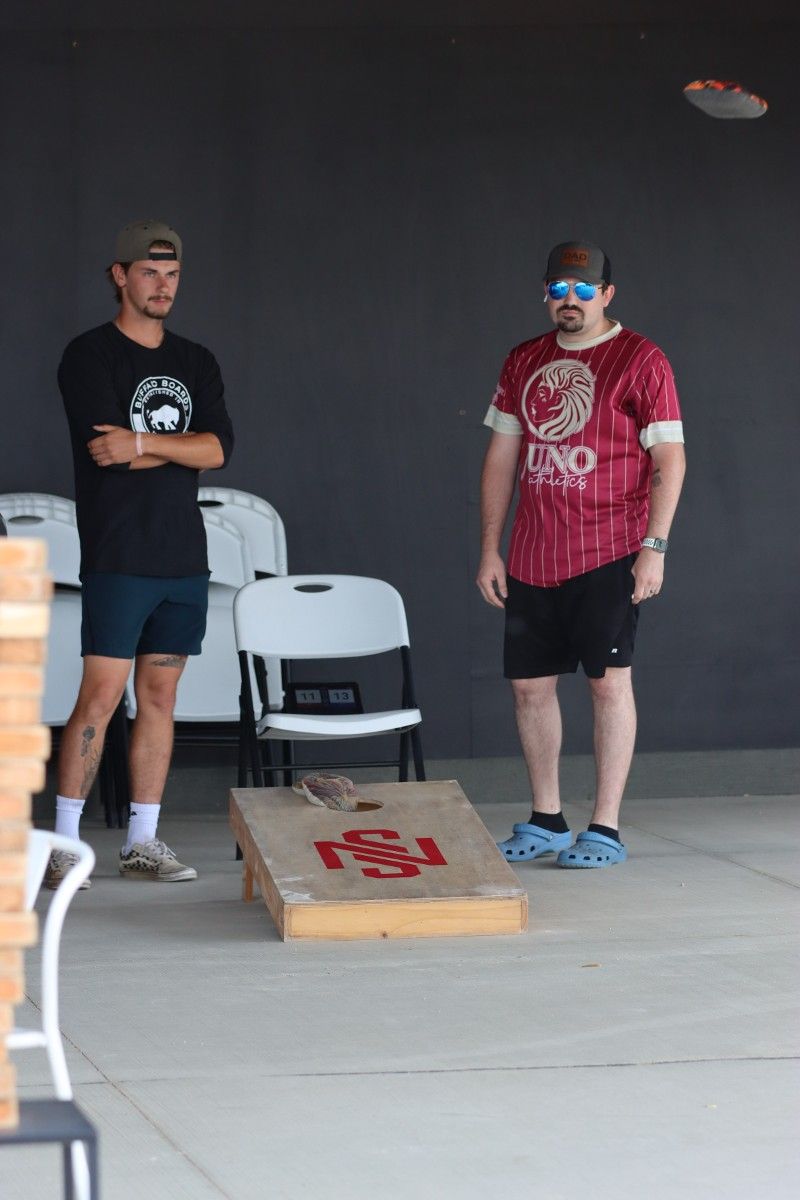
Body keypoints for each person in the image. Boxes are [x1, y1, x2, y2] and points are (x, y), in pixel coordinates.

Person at [477, 240, 685, 868]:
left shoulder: (640, 359)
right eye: (559, 288)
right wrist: (491, 548)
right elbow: (501, 459)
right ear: (546, 293)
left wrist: (655, 546)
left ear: (607, 294)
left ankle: (605, 828)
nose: (571, 299)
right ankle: (546, 819)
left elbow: (670, 458)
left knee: (607, 685)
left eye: (584, 289)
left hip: (610, 551)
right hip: (534, 555)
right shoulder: (524, 360)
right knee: (530, 688)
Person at [46, 219, 234, 888]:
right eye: (150, 272)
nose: (163, 285)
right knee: (100, 695)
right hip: (119, 554)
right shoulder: (90, 356)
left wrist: (143, 443)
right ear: (119, 276)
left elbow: (217, 450)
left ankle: (142, 842)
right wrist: (149, 447)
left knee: (160, 695)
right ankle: (64, 846)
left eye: (173, 274)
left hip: (183, 559)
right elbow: (105, 449)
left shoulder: (195, 360)